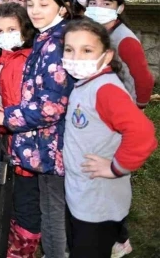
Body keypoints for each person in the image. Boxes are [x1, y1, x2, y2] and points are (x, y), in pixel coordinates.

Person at [0, 0, 75, 258]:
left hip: (44, 143)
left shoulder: (50, 46)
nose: (36, 10)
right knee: (31, 204)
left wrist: (5, 117)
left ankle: (23, 249)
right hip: (27, 141)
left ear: (63, 7)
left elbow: (50, 105)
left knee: (44, 210)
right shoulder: (34, 43)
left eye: (43, 4)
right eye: (31, 4)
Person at [61, 19, 157, 258]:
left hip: (98, 201)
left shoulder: (105, 89)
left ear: (106, 56)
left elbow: (142, 132)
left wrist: (116, 167)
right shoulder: (86, 83)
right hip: (82, 194)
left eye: (87, 50)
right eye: (69, 49)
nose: (76, 57)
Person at [0, 3, 40, 256]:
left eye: (12, 29)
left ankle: (21, 250)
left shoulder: (35, 59)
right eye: (0, 31)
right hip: (8, 140)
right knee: (10, 199)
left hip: (34, 144)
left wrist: (4, 118)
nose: (5, 35)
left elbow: (41, 107)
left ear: (25, 29)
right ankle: (6, 243)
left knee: (28, 203)